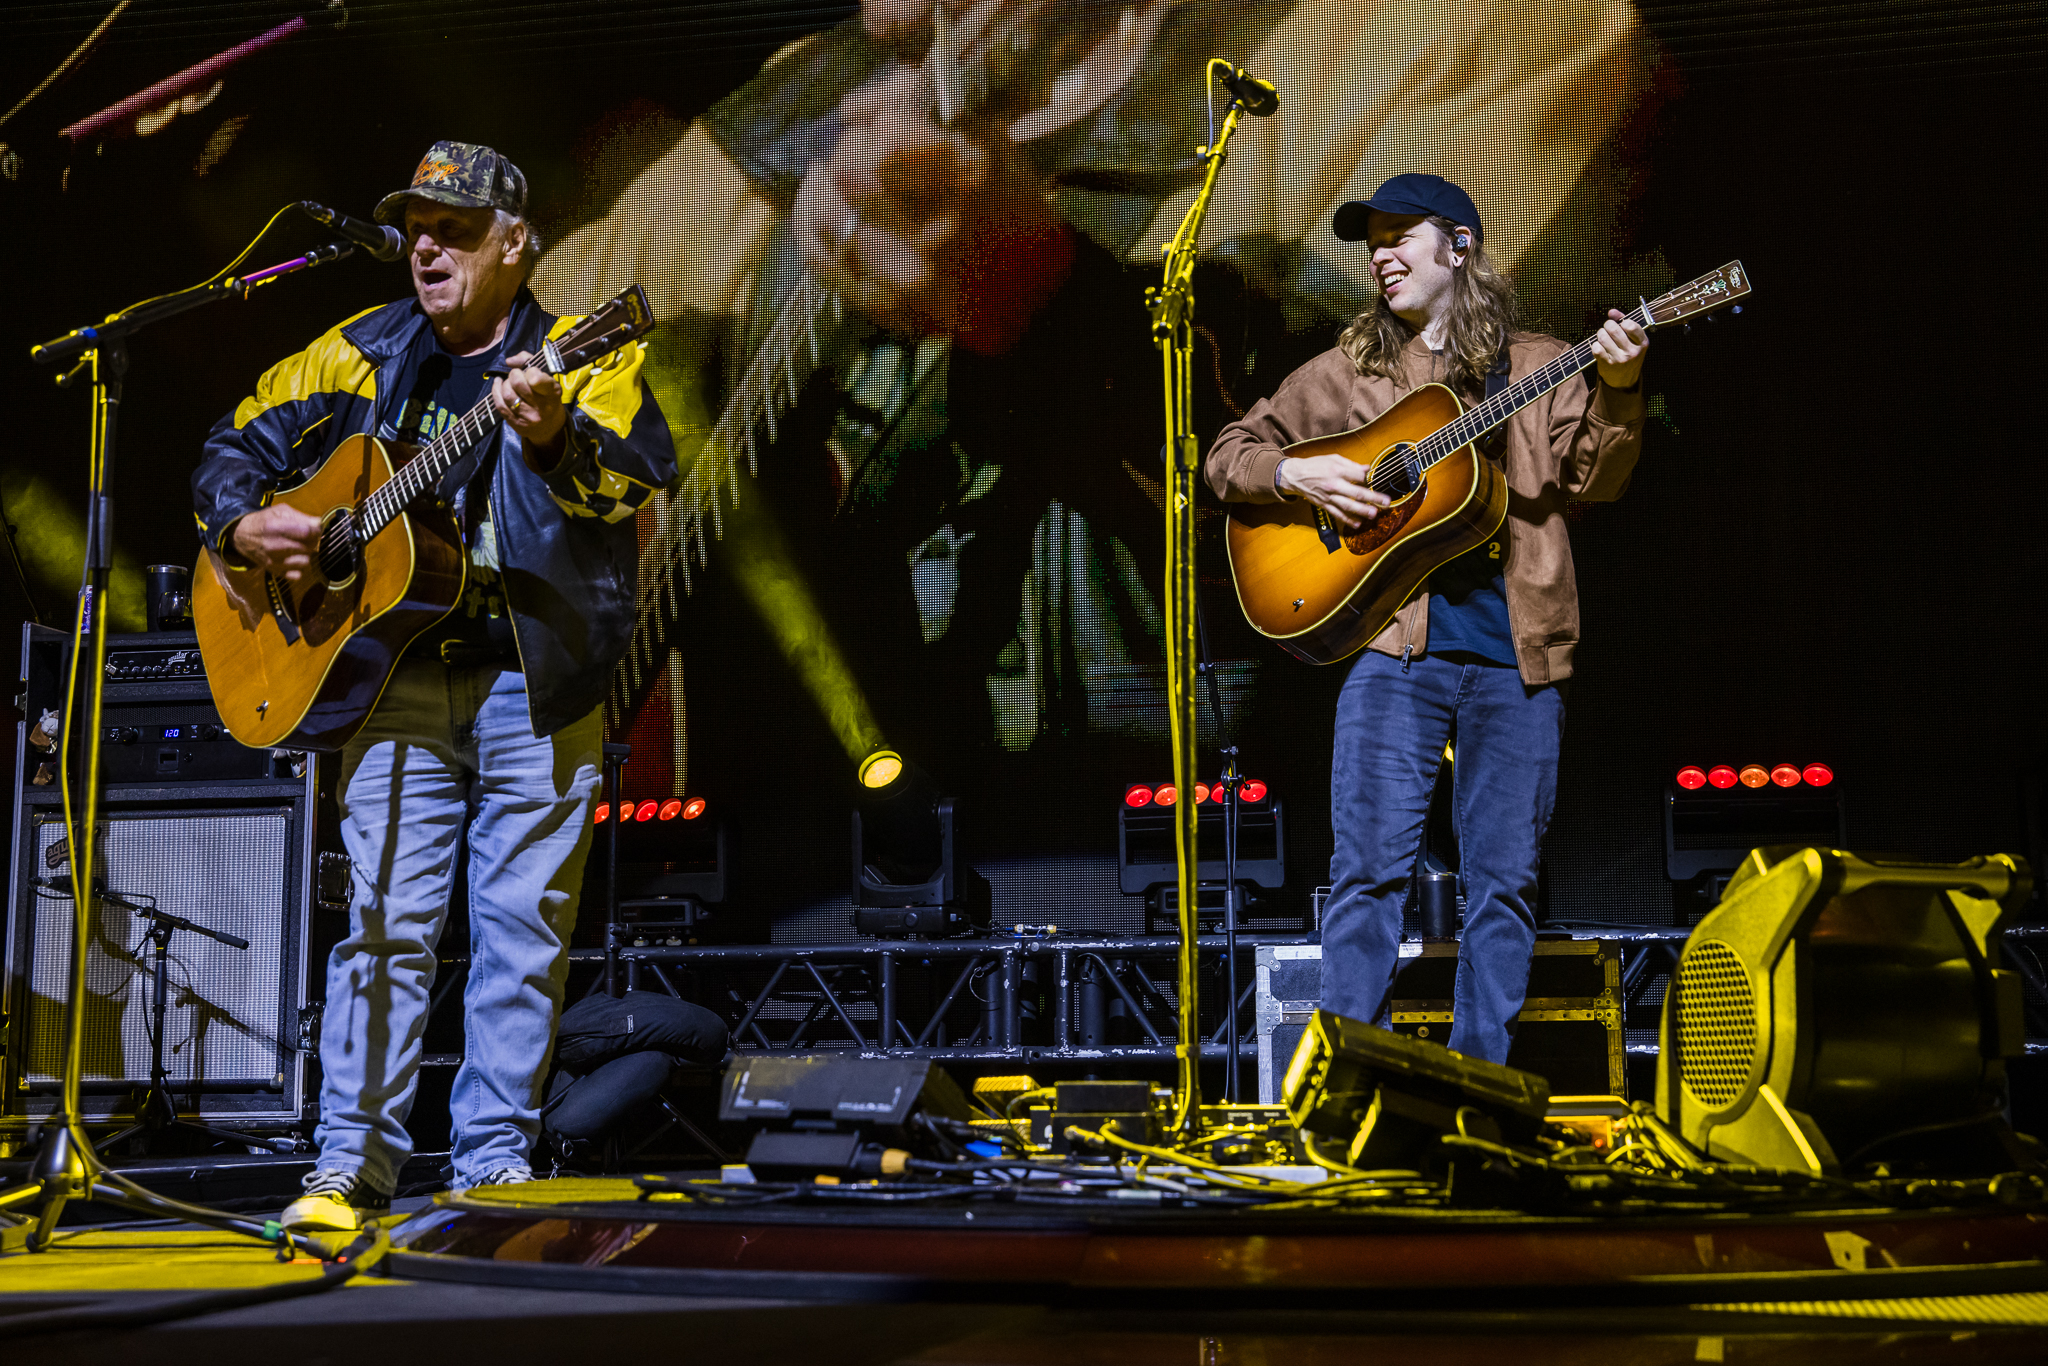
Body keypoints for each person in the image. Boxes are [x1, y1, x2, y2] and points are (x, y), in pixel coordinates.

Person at [534, 0, 1657, 792]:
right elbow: (513, 400)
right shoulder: (788, 114)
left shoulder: (1457, 34)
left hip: (1246, 866)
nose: (882, 19)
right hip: (824, 898)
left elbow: (1453, 459)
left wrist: (1064, 312)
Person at [191, 141, 678, 1231]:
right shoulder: (358, 352)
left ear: (514, 243)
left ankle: (490, 1163)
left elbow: (631, 486)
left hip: (534, 685)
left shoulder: (581, 354)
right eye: (417, 224)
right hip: (392, 683)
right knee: (380, 926)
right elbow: (230, 440)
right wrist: (243, 523)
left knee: (517, 932)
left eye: (453, 227)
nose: (425, 245)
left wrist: (550, 439)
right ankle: (346, 1168)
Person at [1204, 174, 1648, 1064]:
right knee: (1367, 876)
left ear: (1461, 246)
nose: (1380, 253)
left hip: (1517, 662)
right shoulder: (1347, 372)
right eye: (1372, 240)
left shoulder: (1537, 365)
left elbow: (1600, 476)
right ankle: (1344, 1080)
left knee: (1505, 885)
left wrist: (1623, 386)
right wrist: (1300, 476)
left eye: (1400, 234)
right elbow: (1229, 455)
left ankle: (1477, 1082)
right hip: (1392, 653)